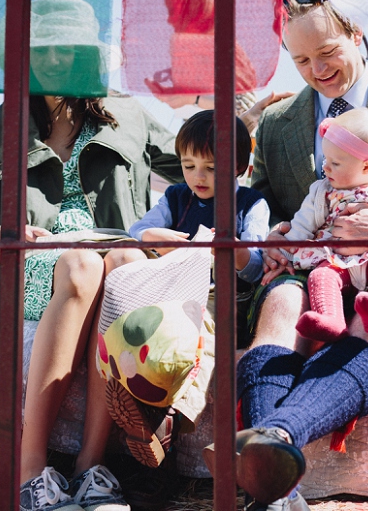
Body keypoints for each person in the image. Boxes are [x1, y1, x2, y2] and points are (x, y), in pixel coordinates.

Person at [0, 0, 183, 511]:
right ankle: (30, 469)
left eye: (68, 48)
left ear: (89, 55)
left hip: (109, 260)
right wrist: (6, 234)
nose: (55, 59)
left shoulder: (128, 114)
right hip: (29, 266)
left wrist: (249, 126)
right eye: (42, 49)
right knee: (83, 263)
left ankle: (90, 468)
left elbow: (200, 164)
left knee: (126, 263)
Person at [211, 0, 368, 511]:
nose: (317, 70)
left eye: (327, 53)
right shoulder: (277, 122)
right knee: (284, 302)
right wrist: (272, 239)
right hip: (312, 264)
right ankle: (279, 487)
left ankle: (274, 444)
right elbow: (261, 205)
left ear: (357, 34)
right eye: (301, 60)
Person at [97, 109, 269, 469]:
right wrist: (153, 236)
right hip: (173, 290)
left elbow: (256, 266)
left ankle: (168, 418)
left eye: (211, 167)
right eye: (188, 166)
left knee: (202, 341)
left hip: (223, 298)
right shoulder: (176, 197)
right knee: (153, 328)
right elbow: (138, 229)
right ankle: (147, 415)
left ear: (239, 166)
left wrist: (233, 250)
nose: (198, 176)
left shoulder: (251, 203)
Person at [262, 108, 368, 343]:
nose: (325, 168)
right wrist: (283, 257)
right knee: (321, 275)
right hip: (340, 259)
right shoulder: (322, 191)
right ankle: (330, 320)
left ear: (367, 168)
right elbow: (301, 226)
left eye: (335, 163)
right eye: (325, 160)